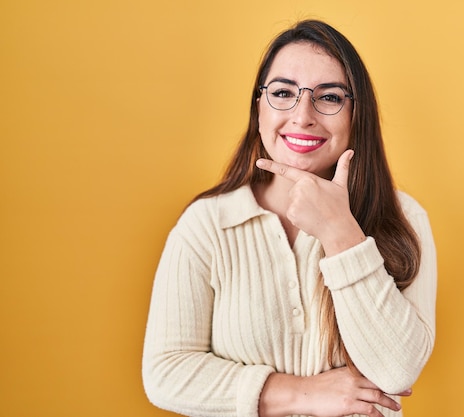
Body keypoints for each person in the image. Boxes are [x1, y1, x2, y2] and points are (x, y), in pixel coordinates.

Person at [142, 19, 437, 417]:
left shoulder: (404, 218)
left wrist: (340, 233)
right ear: (258, 108)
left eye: (329, 97)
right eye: (283, 93)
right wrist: (304, 394)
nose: (302, 116)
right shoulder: (207, 225)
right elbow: (165, 374)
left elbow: (397, 369)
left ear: (357, 115)